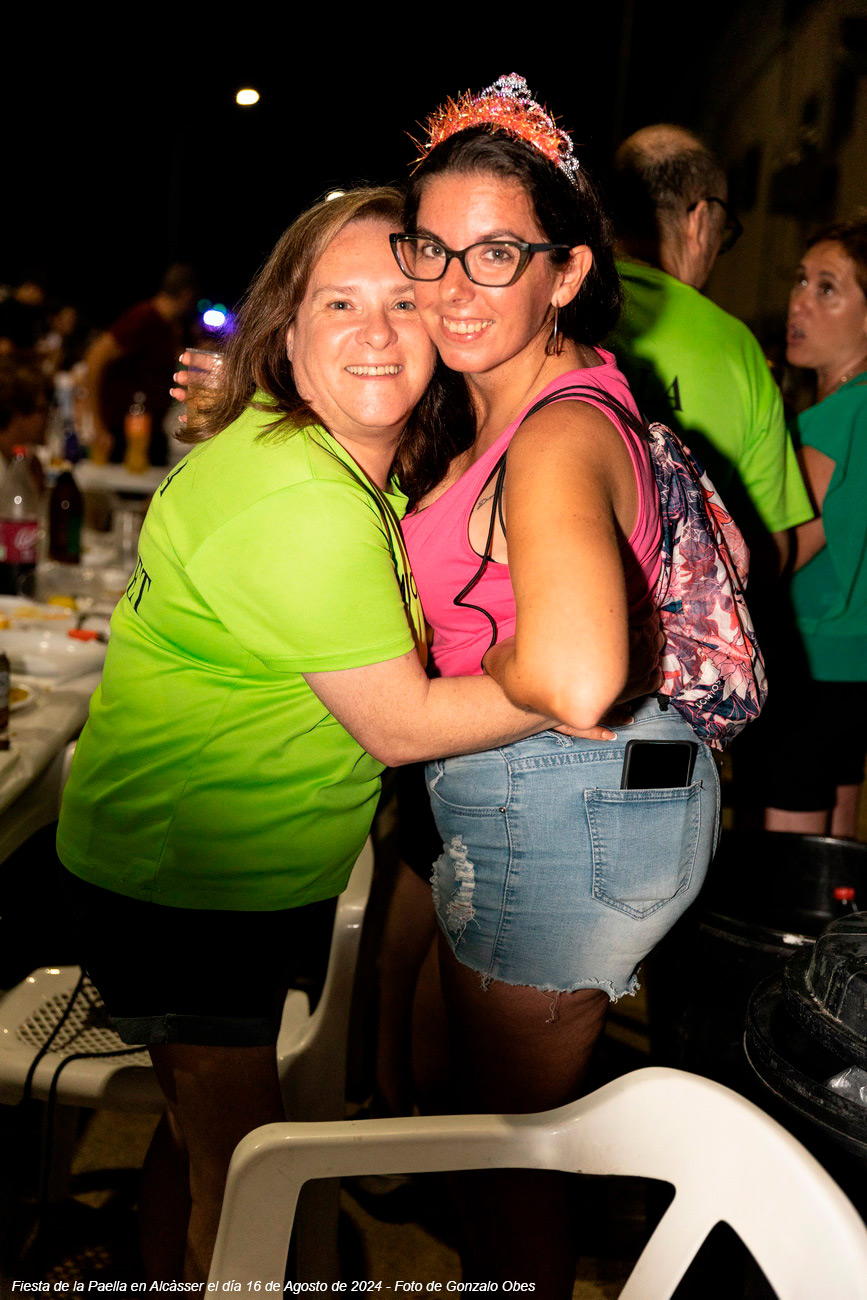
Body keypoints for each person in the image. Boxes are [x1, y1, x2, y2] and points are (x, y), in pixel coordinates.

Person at [56, 188, 598, 1284]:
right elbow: (402, 725)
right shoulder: (299, 496)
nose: (375, 331)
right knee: (246, 1177)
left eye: (401, 302)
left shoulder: (332, 457)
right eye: (337, 304)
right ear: (286, 334)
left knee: (198, 1140)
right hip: (192, 884)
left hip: (221, 871)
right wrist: (568, 680)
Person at [391, 76, 721, 1296]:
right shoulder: (525, 403)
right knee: (475, 1116)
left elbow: (579, 676)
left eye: (498, 255)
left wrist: (435, 701)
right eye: (432, 248)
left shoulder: (555, 433)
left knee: (506, 1160)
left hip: (562, 807)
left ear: (568, 271)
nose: (453, 286)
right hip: (585, 798)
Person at [608, 124, 811, 572]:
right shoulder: (737, 348)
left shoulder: (558, 301)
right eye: (724, 235)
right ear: (700, 219)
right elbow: (773, 549)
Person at [763, 217, 867, 838]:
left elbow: (780, 552)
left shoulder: (837, 420)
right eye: (801, 280)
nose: (799, 301)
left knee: (790, 865)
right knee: (839, 854)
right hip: (853, 668)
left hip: (811, 662)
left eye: (827, 288)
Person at [81, 264, 198, 466]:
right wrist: (97, 423)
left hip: (148, 432)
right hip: (122, 433)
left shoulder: (167, 325)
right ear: (187, 295)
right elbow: (95, 357)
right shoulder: (143, 318)